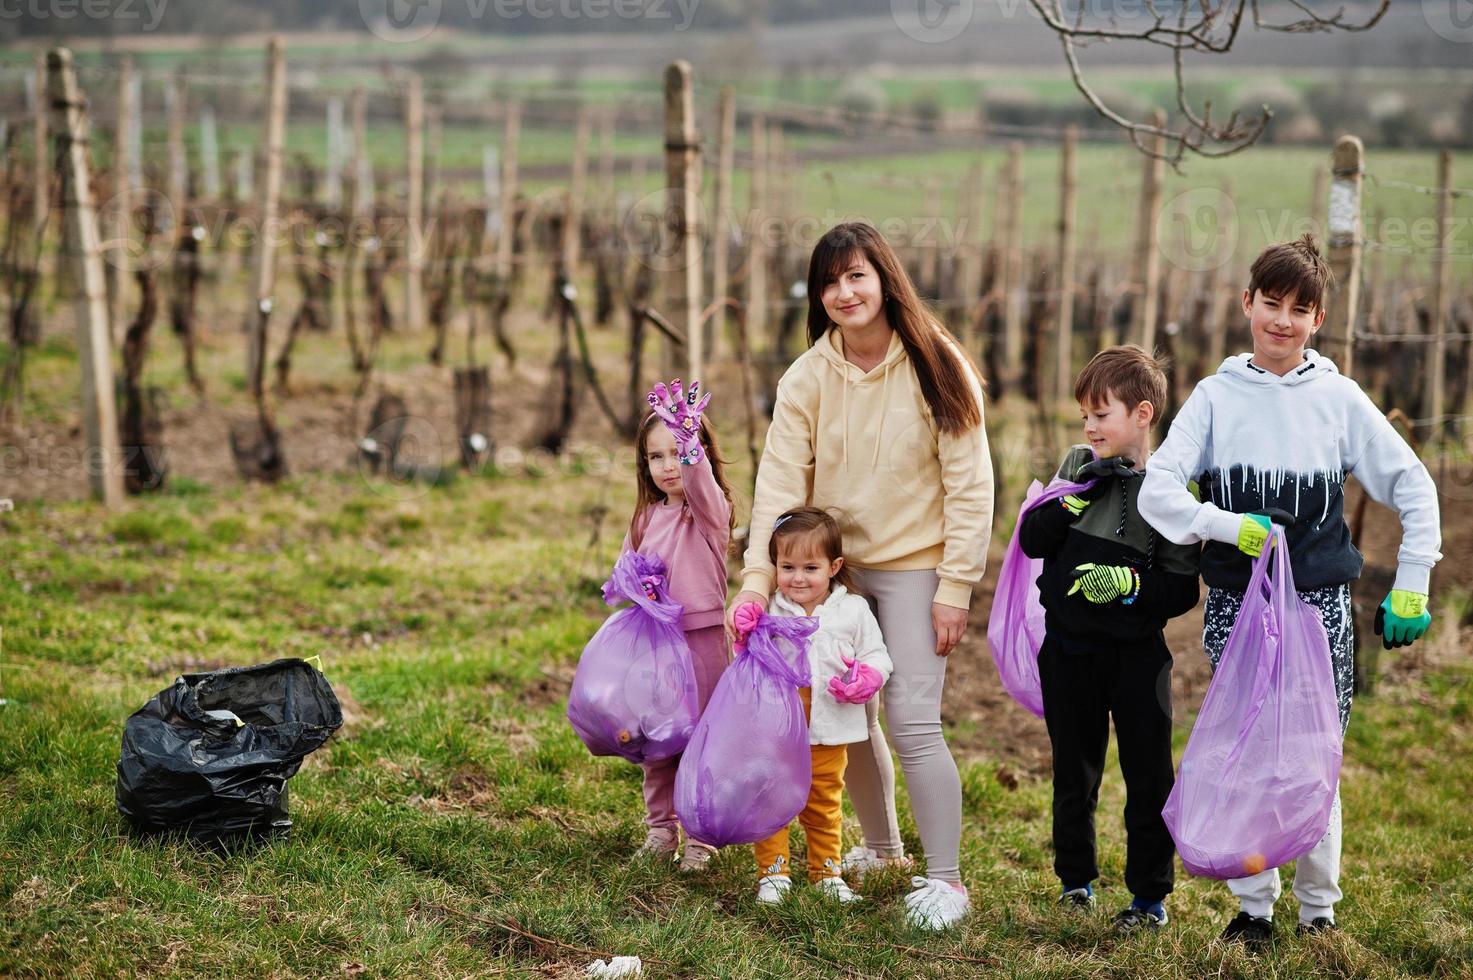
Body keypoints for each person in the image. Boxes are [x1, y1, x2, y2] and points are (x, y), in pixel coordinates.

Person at [1139, 234, 1442, 946]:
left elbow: (1413, 486)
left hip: (1319, 610)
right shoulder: (1214, 399)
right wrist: (1223, 525)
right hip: (1239, 613)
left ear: (1318, 319)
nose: (1280, 320)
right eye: (1269, 303)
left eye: (1297, 309)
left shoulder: (1337, 401)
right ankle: (1251, 911)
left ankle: (1317, 913)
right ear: (1246, 303)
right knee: (1248, 751)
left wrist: (1412, 582)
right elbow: (1158, 489)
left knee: (1312, 753)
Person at [725, 222, 994, 930]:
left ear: (884, 280)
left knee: (908, 719)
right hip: (834, 572)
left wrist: (955, 586)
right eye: (829, 281)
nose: (843, 293)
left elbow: (970, 485)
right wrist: (758, 582)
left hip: (914, 566)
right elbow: (778, 484)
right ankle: (881, 850)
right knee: (845, 714)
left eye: (856, 276)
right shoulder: (807, 377)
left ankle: (946, 882)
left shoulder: (940, 364)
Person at [1018, 346, 1200, 933]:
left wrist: (1130, 586)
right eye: (1085, 417)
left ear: (1143, 414)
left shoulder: (1171, 485)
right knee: (1075, 769)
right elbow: (1032, 539)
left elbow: (1180, 591)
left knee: (1149, 775)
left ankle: (1149, 898)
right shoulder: (1078, 463)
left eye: (1102, 415)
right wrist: (1077, 496)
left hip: (1136, 657)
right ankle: (1076, 881)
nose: (1091, 427)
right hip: (1069, 651)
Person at [734, 508, 894, 906]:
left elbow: (877, 655)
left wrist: (868, 677)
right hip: (777, 735)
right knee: (771, 801)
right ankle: (773, 874)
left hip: (829, 732)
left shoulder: (852, 610)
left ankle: (826, 873)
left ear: (834, 566)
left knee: (824, 804)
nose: (798, 578)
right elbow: (748, 659)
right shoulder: (771, 610)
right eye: (787, 567)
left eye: (810, 567)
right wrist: (742, 632)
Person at [625, 380, 736, 872]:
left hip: (704, 640)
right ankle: (659, 827)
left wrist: (690, 442)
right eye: (656, 457)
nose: (668, 466)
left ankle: (699, 834)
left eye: (678, 454)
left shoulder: (709, 512)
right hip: (657, 644)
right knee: (658, 737)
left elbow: (699, 482)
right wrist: (632, 589)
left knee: (701, 737)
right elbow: (624, 572)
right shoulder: (647, 518)